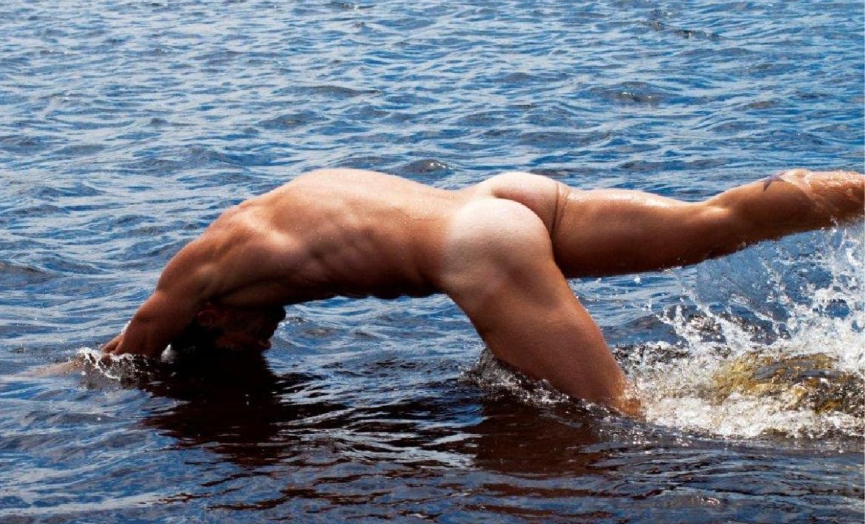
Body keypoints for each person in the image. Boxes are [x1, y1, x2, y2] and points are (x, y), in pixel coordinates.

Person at [103, 168, 864, 415]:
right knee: (709, 220)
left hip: (482, 246)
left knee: (620, 418)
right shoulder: (261, 211)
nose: (262, 339)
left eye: (239, 337)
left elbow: (131, 342)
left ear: (205, 313)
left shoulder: (194, 272)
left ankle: (809, 417)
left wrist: (61, 379)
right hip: (504, 197)